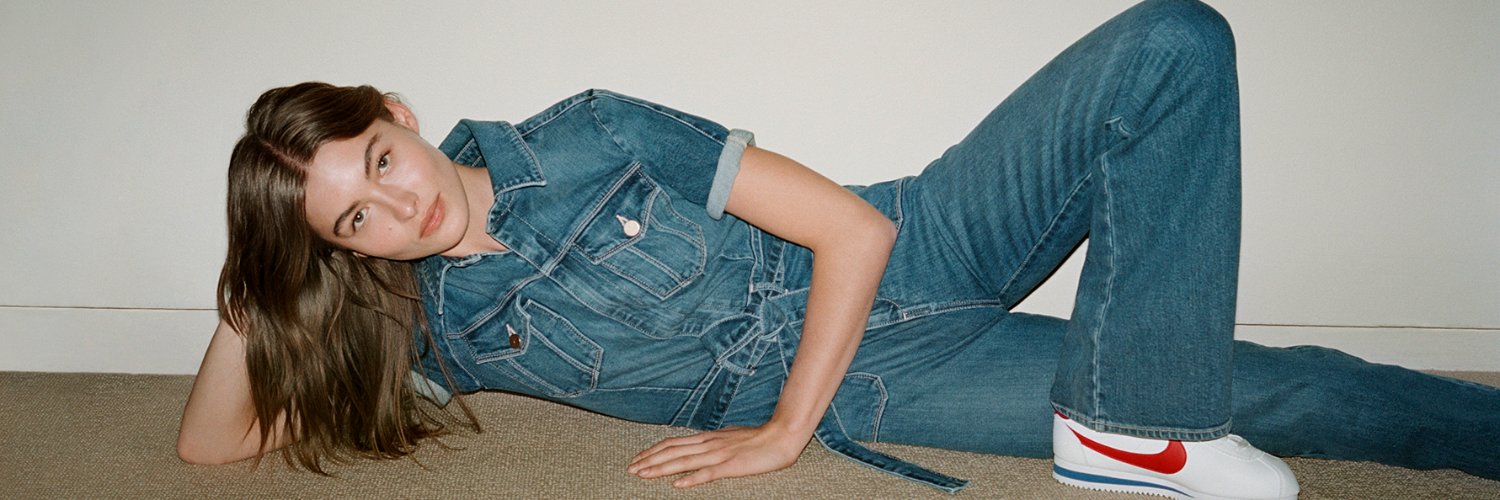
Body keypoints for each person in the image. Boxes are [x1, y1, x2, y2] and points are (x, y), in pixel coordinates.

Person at [178, 1, 1500, 498]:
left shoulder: (585, 132)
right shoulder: (441, 331)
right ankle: (1144, 427)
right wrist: (254, 290)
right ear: (341, 249)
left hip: (918, 242)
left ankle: (1131, 423)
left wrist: (779, 437)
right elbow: (210, 450)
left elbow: (854, 229)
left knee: (1172, 41)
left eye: (377, 161)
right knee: (1277, 389)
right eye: (352, 218)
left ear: (397, 115)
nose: (395, 208)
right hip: (891, 386)